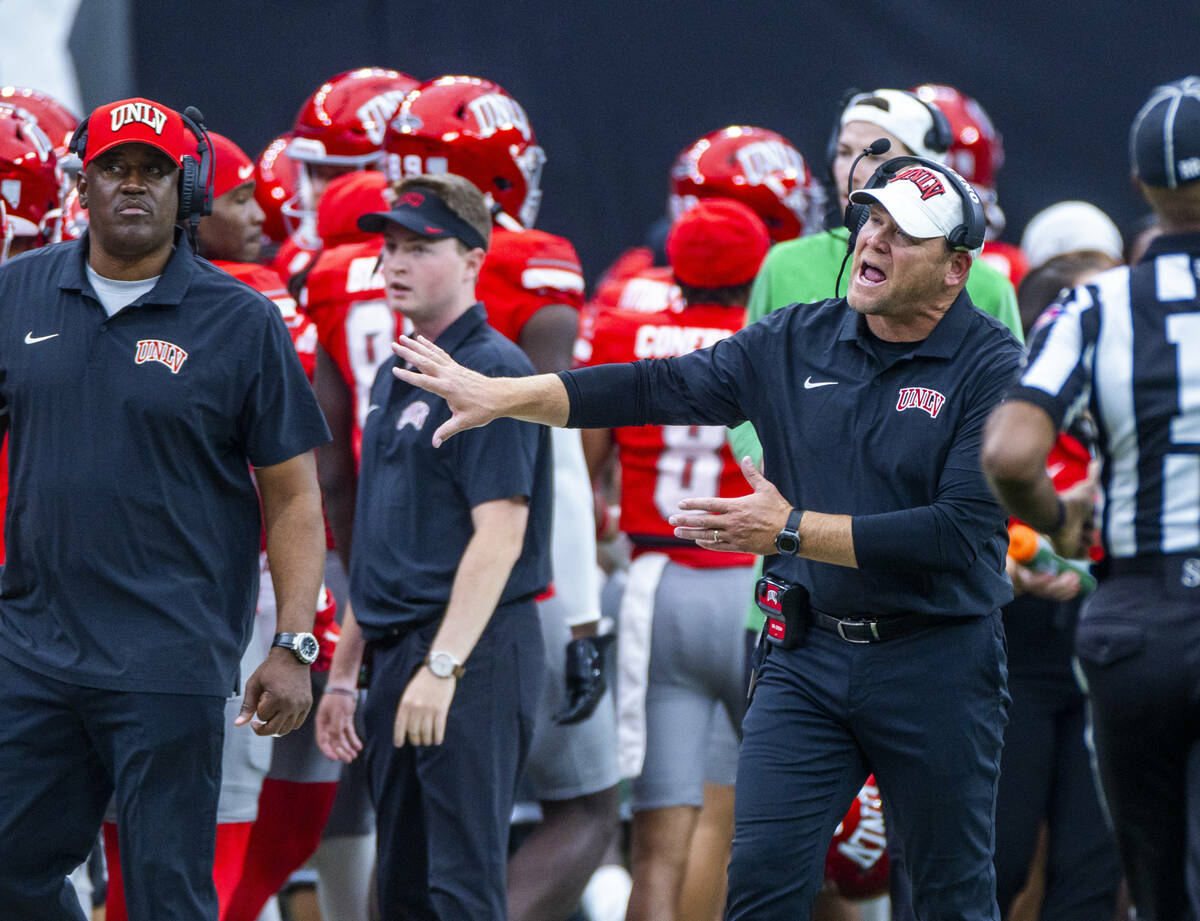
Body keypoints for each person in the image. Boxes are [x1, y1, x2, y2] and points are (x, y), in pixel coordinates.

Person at [392, 154, 1023, 920]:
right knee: (758, 883)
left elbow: (957, 534)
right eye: (873, 220)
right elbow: (651, 384)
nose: (875, 242)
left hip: (936, 656)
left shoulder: (992, 363)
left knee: (951, 893)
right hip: (808, 654)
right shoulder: (797, 336)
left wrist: (787, 530)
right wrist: (504, 395)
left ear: (956, 269)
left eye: (904, 233)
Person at [0, 96, 330, 921]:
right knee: (9, 870)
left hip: (169, 658)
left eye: (154, 170)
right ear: (84, 181)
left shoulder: (242, 319)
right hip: (34, 647)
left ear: (189, 188)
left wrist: (293, 641)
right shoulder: (16, 294)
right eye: (115, 168)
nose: (133, 186)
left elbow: (293, 496)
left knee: (165, 897)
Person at [381, 75, 620, 921]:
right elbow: (551, 442)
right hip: (513, 577)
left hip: (399, 584)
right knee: (578, 805)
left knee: (410, 843)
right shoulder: (526, 259)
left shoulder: (355, 263)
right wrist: (584, 608)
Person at [981, 75, 1200, 921]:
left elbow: (1009, 450)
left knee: (1151, 881)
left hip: (1135, 615)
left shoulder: (1097, 304)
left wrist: (1054, 516)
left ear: (1141, 184)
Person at [315, 172, 553, 920]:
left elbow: (502, 531)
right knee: (405, 888)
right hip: (395, 652)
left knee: (461, 887)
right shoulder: (398, 369)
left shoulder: (494, 370)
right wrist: (345, 674)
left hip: (470, 653)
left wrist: (443, 665)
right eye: (390, 248)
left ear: (475, 257)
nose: (395, 264)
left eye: (420, 247)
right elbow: (383, 538)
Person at [578, 198, 767, 921]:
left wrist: (601, 543)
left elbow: (582, 470)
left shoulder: (626, 327)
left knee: (657, 838)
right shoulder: (770, 336)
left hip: (655, 583)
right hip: (755, 588)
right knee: (794, 818)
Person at [744, 87, 1021, 337]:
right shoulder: (784, 264)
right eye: (843, 152)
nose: (850, 172)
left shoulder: (989, 288)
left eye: (876, 157)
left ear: (925, 173)